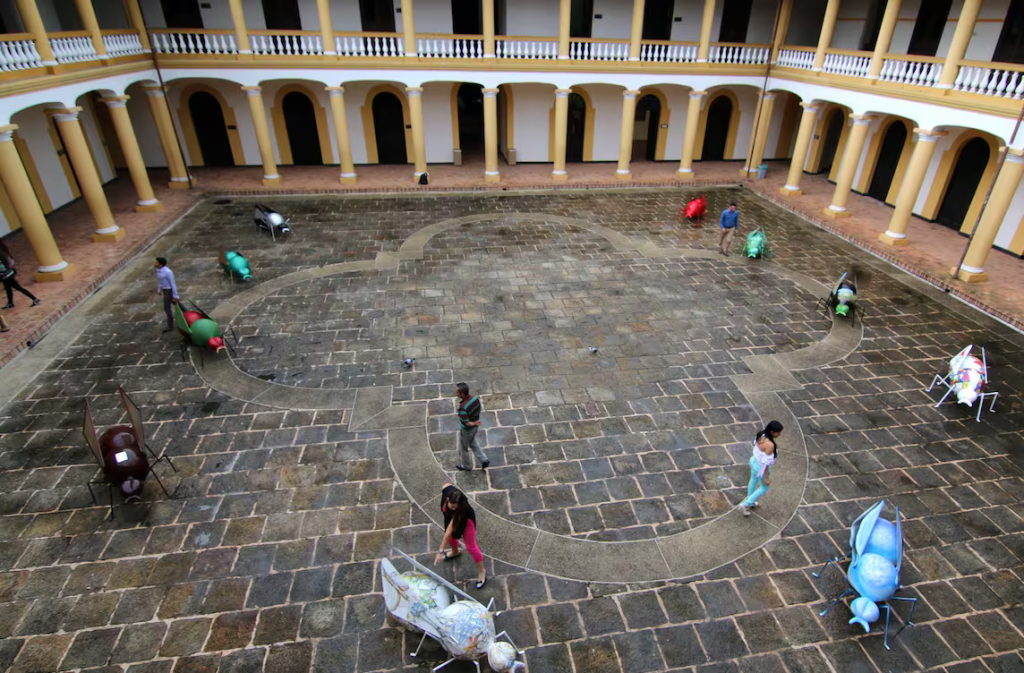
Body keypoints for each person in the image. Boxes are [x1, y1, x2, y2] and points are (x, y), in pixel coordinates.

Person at [435, 484, 486, 589]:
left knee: (471, 547)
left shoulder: (461, 509)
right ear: (447, 499)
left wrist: (440, 552)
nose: (454, 508)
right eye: (452, 505)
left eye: (456, 506)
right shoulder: (446, 491)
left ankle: (482, 571)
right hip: (450, 519)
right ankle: (455, 552)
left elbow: (448, 531)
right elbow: (446, 485)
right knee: (451, 539)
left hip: (466, 522)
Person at [742, 420, 783, 516]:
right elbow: (766, 464)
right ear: (772, 432)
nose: (779, 434)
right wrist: (767, 478)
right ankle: (746, 504)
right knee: (764, 487)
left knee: (753, 480)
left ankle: (750, 501)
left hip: (753, 461)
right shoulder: (770, 445)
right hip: (760, 467)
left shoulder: (761, 434)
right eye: (778, 433)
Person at [455, 382, 488, 471]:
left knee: (463, 447)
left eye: (457, 392)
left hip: (467, 430)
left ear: (462, 394)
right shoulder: (475, 398)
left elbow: (466, 423)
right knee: (472, 442)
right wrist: (475, 422)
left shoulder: (463, 408)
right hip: (474, 428)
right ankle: (484, 459)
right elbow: (479, 408)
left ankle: (466, 466)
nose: (456, 393)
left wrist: (474, 423)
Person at [0, 241, 40, 310]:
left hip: (7, 276)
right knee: (8, 289)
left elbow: (3, 269)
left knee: (19, 288)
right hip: (8, 275)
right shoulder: (4, 254)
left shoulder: (2, 258)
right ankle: (10, 303)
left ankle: (35, 299)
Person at [154, 257, 178, 332]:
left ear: (160, 265)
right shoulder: (158, 270)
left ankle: (170, 326)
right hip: (165, 290)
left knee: (167, 308)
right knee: (177, 304)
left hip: (168, 291)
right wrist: (159, 289)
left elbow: (172, 283)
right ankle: (188, 314)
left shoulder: (168, 272)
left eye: (156, 262)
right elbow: (161, 281)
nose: (154, 263)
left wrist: (175, 295)